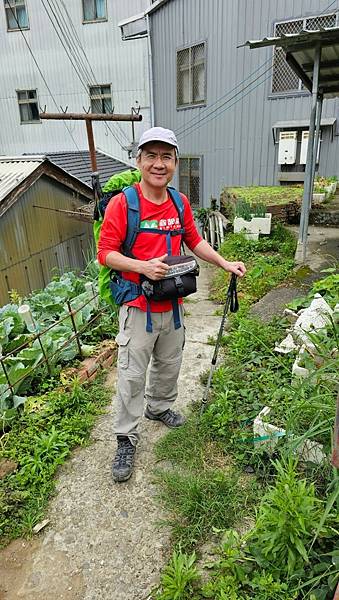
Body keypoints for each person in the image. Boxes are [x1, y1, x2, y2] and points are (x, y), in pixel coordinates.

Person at [97, 126, 246, 482]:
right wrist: (142, 267)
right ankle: (126, 437)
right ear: (139, 161)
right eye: (151, 156)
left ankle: (159, 407)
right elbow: (106, 254)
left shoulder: (179, 203)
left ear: (175, 162)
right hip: (137, 306)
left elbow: (194, 240)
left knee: (169, 363)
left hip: (173, 303)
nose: (159, 164)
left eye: (166, 156)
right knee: (132, 375)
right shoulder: (124, 204)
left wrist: (224, 262)